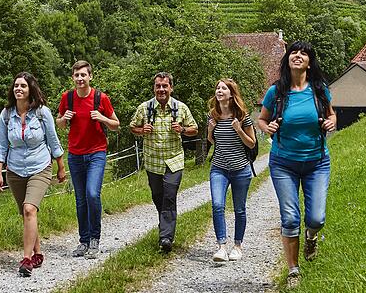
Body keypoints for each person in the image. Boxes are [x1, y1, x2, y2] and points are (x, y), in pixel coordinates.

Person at [257, 41, 336, 285]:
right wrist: (267, 127)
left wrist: (331, 122)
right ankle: (293, 271)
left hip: (317, 162)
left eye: (303, 53)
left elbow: (331, 113)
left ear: (309, 62)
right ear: (287, 59)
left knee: (317, 219)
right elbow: (262, 119)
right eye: (294, 52)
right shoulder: (276, 92)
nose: (298, 56)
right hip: (283, 163)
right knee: (290, 218)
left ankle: (311, 238)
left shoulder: (320, 90)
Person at [0, 71, 66, 277]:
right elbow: (1, 145)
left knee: (29, 209)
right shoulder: (6, 115)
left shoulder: (42, 113)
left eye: (23, 86)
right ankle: (38, 253)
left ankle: (26, 260)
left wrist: (60, 167)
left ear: (30, 89)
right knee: (26, 214)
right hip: (15, 170)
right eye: (16, 85)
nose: (19, 89)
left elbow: (53, 141)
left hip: (40, 167)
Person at [56, 60, 120, 259]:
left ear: (90, 76)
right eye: (77, 75)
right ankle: (83, 241)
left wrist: (102, 118)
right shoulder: (67, 98)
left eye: (83, 75)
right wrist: (64, 118)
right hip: (75, 154)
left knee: (92, 194)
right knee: (80, 199)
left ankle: (95, 239)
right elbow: (59, 124)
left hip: (96, 153)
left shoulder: (101, 98)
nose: (80, 79)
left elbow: (116, 125)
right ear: (73, 77)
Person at [129, 72, 198, 252]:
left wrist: (182, 129)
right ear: (154, 88)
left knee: (169, 196)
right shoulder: (145, 108)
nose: (161, 89)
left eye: (164, 86)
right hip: (152, 161)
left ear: (171, 88)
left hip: (174, 161)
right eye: (158, 86)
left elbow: (194, 129)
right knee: (158, 196)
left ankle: (166, 238)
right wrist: (141, 130)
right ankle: (165, 223)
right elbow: (131, 127)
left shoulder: (180, 108)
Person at [206, 78, 256, 263]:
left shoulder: (243, 116)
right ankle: (221, 247)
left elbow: (251, 143)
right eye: (217, 88)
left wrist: (238, 130)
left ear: (231, 93)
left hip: (240, 169)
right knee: (218, 205)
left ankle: (237, 246)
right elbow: (212, 142)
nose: (219, 90)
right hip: (219, 168)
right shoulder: (212, 115)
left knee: (239, 209)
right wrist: (210, 131)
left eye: (223, 88)